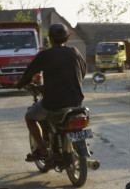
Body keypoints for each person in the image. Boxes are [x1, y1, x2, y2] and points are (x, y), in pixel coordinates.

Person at [16, 23, 87, 161]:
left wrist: (20, 84)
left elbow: (28, 74)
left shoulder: (45, 55)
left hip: (53, 103)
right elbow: (83, 72)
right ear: (67, 38)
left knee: (29, 117)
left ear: (50, 39)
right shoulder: (75, 52)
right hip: (76, 102)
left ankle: (42, 150)